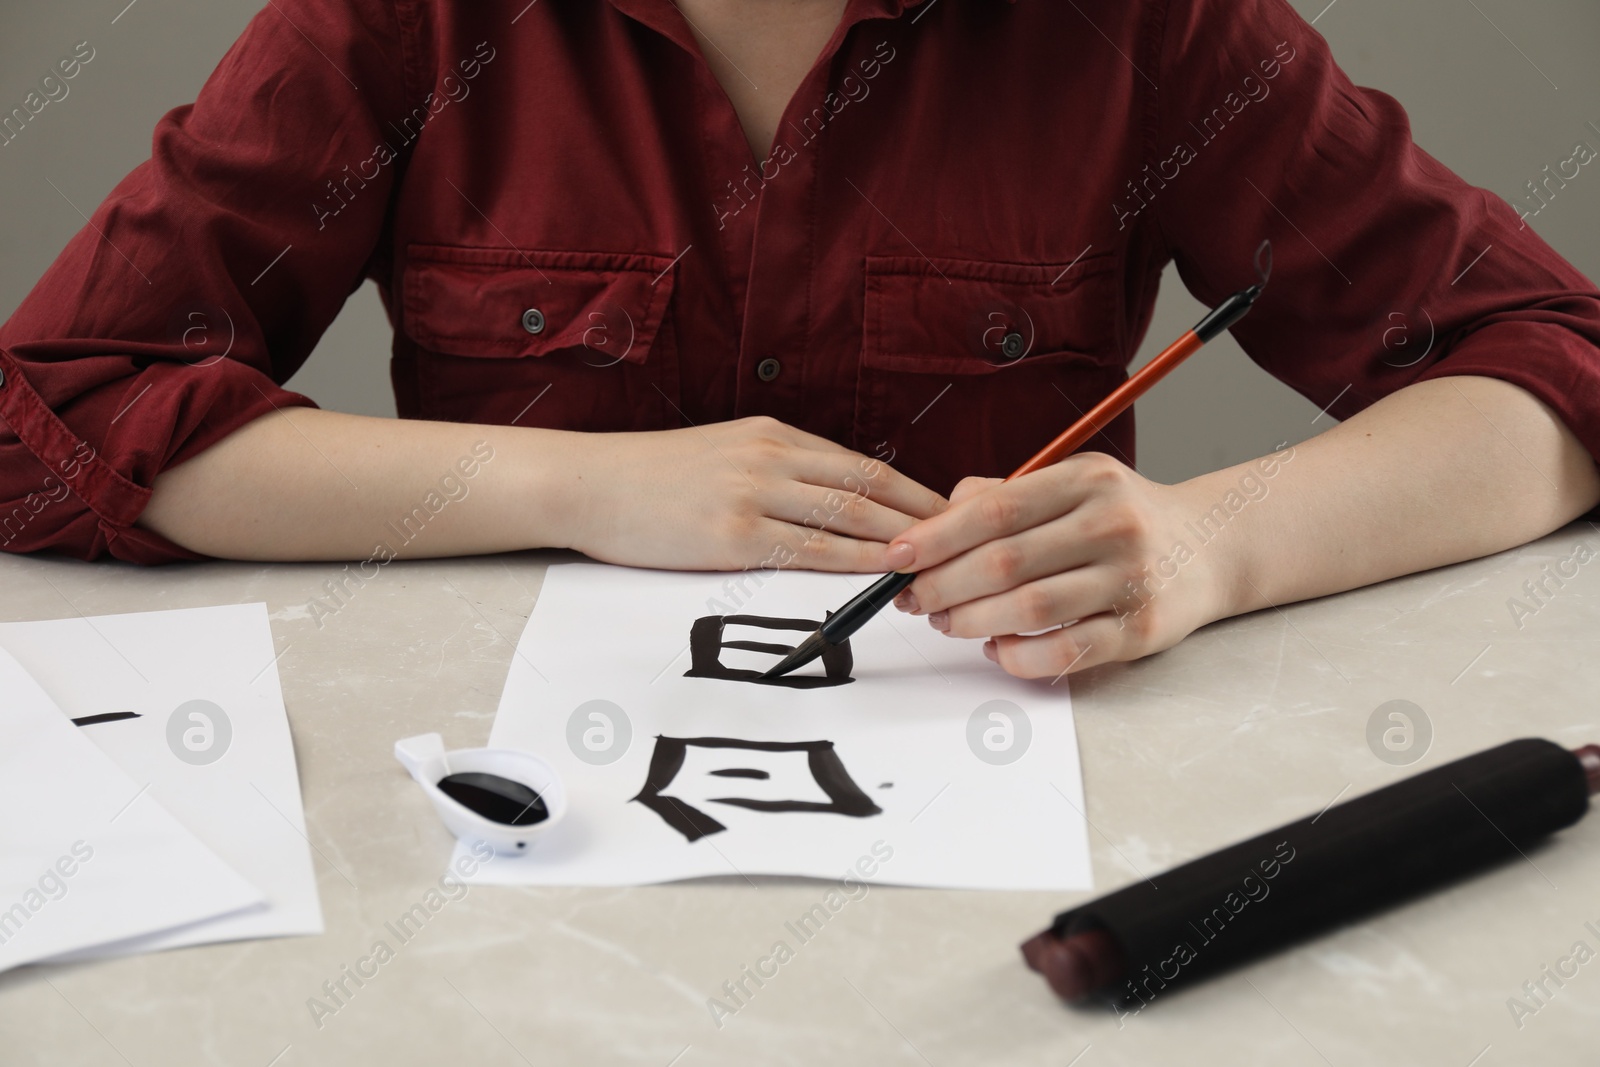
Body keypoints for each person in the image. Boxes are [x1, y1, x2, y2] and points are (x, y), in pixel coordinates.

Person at [2, 0, 1597, 682]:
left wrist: (1210, 545)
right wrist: (581, 487)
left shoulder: (1141, 23)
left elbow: (1549, 361)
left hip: (1027, 801)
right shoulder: (404, 18)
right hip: (511, 837)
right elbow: (56, 408)